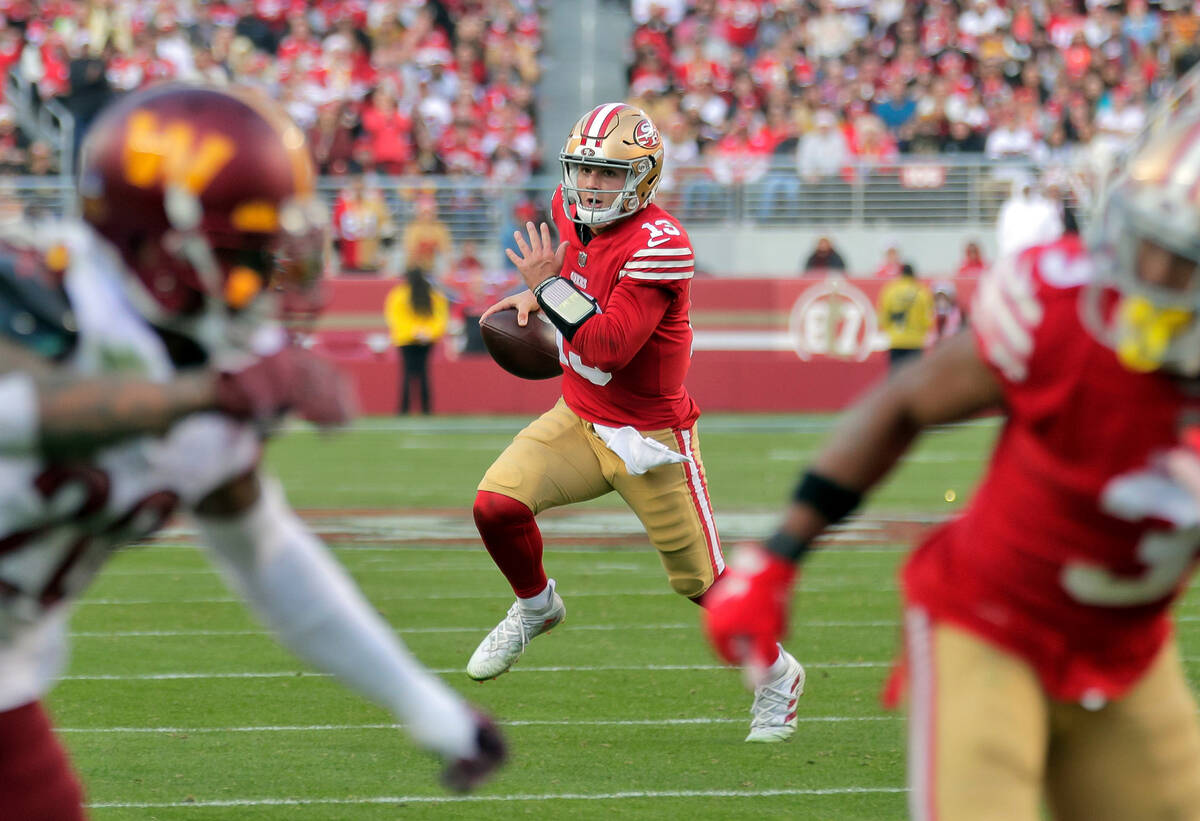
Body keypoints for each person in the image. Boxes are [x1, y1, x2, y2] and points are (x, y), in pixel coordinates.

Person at [0, 85, 505, 820]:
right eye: (243, 250)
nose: (266, 272)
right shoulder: (40, 295)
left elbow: (267, 553)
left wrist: (422, 702)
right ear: (156, 239)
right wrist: (206, 394)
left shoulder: (222, 354)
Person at [704, 112, 1200, 820]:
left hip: (1127, 655)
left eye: (1185, 258)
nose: (1149, 275)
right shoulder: (1062, 306)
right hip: (986, 622)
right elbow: (907, 401)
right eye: (1150, 240)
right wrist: (779, 555)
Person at [464, 102, 805, 743]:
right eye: (582, 171)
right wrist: (541, 292)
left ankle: (778, 675)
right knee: (495, 507)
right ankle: (537, 606)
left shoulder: (663, 242)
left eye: (607, 173)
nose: (589, 186)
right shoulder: (577, 218)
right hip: (580, 415)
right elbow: (582, 279)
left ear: (644, 177)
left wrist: (545, 290)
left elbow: (608, 345)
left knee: (707, 589)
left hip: (649, 440)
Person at [384, 267, 449, 414]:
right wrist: (427, 332)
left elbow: (394, 318)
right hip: (426, 339)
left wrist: (412, 332)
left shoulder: (399, 294)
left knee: (407, 373)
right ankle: (426, 409)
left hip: (405, 339)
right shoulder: (433, 294)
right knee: (424, 373)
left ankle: (404, 409)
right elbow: (441, 317)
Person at [876, 262, 934, 371]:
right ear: (914, 275)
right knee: (914, 377)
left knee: (896, 378)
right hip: (915, 341)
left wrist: (890, 331)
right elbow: (928, 319)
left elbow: (883, 317)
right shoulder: (922, 291)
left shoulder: (890, 290)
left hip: (896, 341)